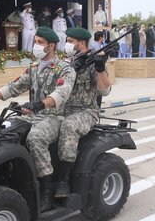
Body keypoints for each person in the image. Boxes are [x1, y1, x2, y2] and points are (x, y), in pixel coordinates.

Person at [0, 26, 76, 212]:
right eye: (35, 42)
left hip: (54, 117)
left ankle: (46, 188)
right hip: (32, 115)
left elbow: (62, 92)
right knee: (4, 130)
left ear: (51, 46)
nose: (35, 46)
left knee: (35, 138)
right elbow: (14, 86)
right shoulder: (34, 68)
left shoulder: (64, 69)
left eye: (40, 43)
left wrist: (40, 104)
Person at [54, 27, 112, 198]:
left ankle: (63, 180)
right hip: (63, 109)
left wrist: (100, 68)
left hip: (86, 111)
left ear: (82, 43)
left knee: (69, 126)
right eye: (67, 41)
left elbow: (105, 90)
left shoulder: (94, 61)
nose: (67, 44)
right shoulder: (65, 61)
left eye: (71, 41)